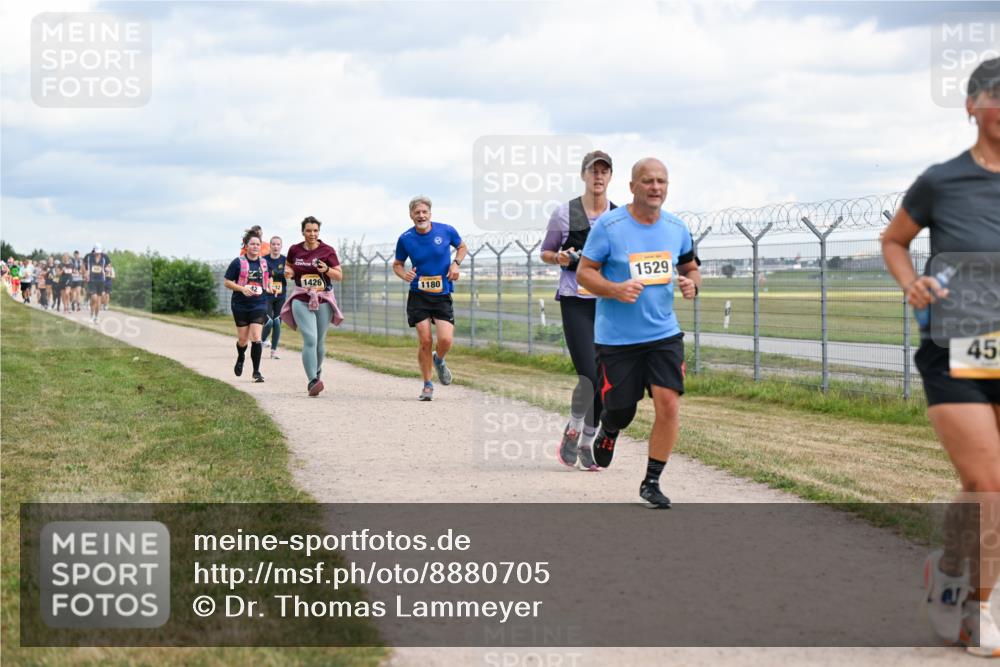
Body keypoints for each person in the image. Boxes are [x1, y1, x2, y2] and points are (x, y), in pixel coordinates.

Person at [882, 57, 1000, 657]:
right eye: (996, 95)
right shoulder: (942, 181)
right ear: (972, 106)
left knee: (983, 486)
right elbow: (894, 240)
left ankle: (947, 571)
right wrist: (911, 283)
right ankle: (978, 611)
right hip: (955, 345)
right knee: (989, 482)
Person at [577, 158, 701, 509]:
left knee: (669, 404)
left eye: (661, 181)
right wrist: (615, 289)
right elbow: (585, 272)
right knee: (621, 410)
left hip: (664, 334)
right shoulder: (610, 227)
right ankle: (610, 430)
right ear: (632, 186)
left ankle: (652, 481)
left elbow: (691, 268)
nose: (655, 187)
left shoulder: (677, 228)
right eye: (648, 181)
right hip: (617, 339)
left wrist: (692, 285)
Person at [542, 150, 616, 471]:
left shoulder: (618, 216)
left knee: (604, 379)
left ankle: (587, 442)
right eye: (592, 171)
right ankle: (574, 425)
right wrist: (558, 258)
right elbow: (545, 251)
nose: (598, 177)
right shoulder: (564, 213)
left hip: (607, 303)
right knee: (588, 375)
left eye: (604, 171)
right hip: (575, 301)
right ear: (583, 175)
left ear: (610, 177)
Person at [392, 195, 468, 401]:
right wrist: (404, 274)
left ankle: (439, 360)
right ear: (411, 216)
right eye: (417, 212)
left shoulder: (446, 230)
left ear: (430, 214)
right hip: (418, 294)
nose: (421, 215)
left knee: (445, 339)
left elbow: (462, 247)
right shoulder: (406, 238)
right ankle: (427, 384)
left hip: (442, 294)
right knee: (425, 340)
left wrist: (455, 264)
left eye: (424, 212)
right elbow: (397, 264)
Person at [278, 216, 344, 396]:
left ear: (319, 232)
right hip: (301, 297)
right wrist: (289, 272)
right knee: (310, 338)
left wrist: (327, 270)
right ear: (303, 232)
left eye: (315, 231)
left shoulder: (327, 251)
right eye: (308, 231)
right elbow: (289, 266)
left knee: (320, 342)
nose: (312, 234)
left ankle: (316, 371)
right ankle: (312, 381)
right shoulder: (295, 250)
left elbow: (339, 275)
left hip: (323, 298)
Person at [223, 230, 271, 383]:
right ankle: (241, 356)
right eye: (252, 244)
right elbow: (227, 282)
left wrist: (269, 286)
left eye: (258, 244)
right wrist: (243, 289)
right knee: (243, 340)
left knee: (256, 337)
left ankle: (256, 372)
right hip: (240, 304)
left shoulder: (264, 263)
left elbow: (267, 278)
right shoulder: (238, 262)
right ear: (246, 245)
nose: (255, 247)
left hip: (259, 303)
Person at [260, 236, 287, 359]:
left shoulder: (285, 260)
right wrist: (275, 274)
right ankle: (260, 342)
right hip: (267, 295)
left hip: (280, 295)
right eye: (273, 244)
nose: (276, 247)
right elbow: (263, 275)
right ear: (270, 246)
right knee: (269, 321)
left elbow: (289, 274)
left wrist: (275, 273)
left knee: (277, 322)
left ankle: (273, 351)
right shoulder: (264, 260)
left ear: (281, 246)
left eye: (278, 244)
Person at [82, 244, 111, 324]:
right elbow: (83, 265)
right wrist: (85, 273)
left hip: (101, 280)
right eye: (96, 252)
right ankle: (91, 316)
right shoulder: (88, 256)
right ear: (94, 250)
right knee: (94, 298)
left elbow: (109, 266)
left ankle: (96, 317)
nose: (98, 254)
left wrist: (107, 269)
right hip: (91, 280)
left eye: (99, 252)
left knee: (98, 300)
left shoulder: (105, 257)